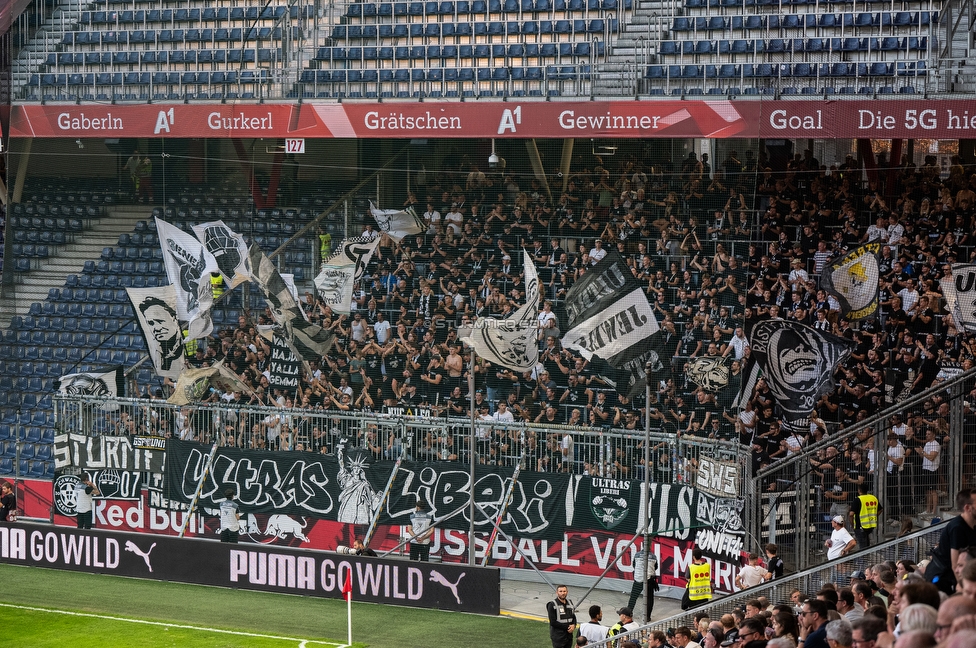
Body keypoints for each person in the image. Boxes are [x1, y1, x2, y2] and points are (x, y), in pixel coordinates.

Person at [926, 489, 976, 594]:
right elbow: (955, 565)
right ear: (967, 508)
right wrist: (963, 590)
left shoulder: (972, 525)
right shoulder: (957, 527)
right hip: (942, 580)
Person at [138, 296, 184, 372]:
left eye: (160, 321)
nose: (157, 328)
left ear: (173, 318)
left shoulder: (185, 344)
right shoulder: (156, 352)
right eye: (151, 323)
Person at [627, 545, 659, 620]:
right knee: (649, 599)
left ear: (642, 546)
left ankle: (628, 613)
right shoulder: (653, 556)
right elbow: (656, 567)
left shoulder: (637, 555)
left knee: (633, 597)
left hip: (638, 579)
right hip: (649, 580)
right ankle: (647, 617)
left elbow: (634, 565)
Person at [851, 482, 879, 548]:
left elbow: (851, 514)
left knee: (862, 546)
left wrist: (852, 525)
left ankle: (864, 558)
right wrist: (874, 516)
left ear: (859, 490)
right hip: (871, 525)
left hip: (860, 526)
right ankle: (866, 557)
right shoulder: (873, 498)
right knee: (867, 544)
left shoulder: (858, 499)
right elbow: (880, 510)